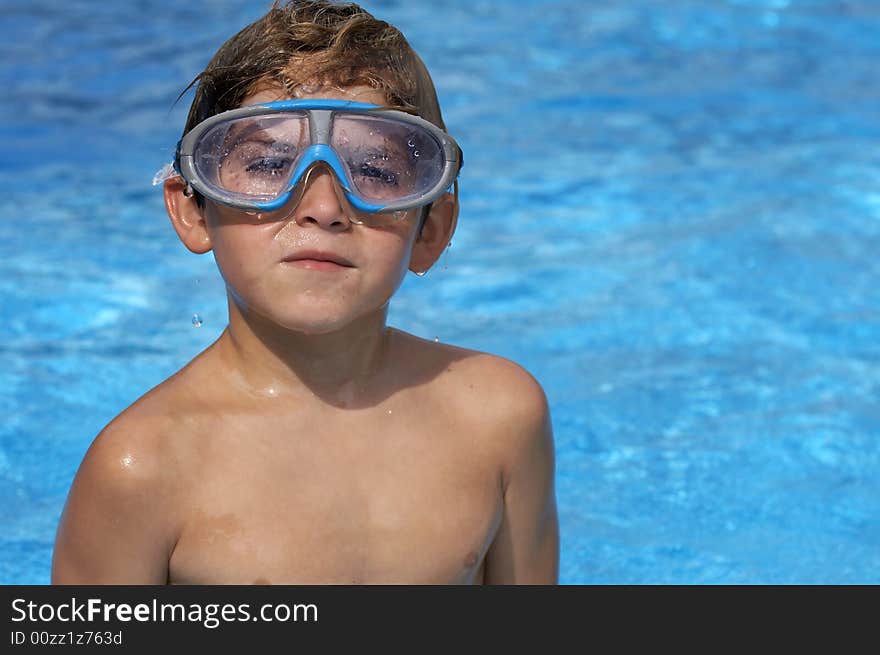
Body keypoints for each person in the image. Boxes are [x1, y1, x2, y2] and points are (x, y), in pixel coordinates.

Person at [52, 0, 558, 585]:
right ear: (192, 211)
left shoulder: (498, 419)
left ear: (433, 230)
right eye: (269, 164)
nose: (323, 208)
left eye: (375, 171)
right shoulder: (142, 469)